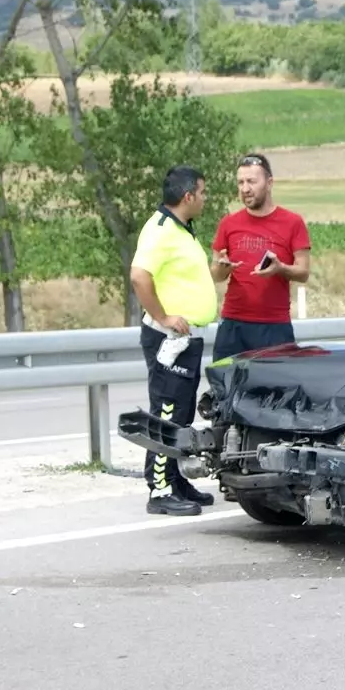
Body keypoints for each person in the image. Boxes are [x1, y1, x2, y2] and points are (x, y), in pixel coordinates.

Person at [129, 166, 219, 517]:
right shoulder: (160, 230)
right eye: (203, 192)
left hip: (184, 339)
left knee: (180, 412)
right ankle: (160, 489)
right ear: (188, 196)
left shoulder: (182, 230)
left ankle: (175, 480)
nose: (205, 198)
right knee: (167, 411)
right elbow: (139, 276)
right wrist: (164, 316)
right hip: (168, 337)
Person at [210, 153, 311, 363]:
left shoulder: (292, 222)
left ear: (269, 183)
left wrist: (280, 268)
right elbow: (216, 275)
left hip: (274, 326)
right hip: (233, 323)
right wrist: (223, 268)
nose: (245, 189)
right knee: (225, 388)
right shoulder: (228, 224)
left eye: (252, 182)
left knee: (276, 390)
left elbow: (303, 273)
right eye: (240, 182)